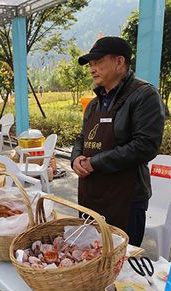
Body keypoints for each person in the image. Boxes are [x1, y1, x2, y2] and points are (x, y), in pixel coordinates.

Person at [71, 36, 165, 247]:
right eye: (91, 65)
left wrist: (94, 163)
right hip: (92, 194)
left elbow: (145, 146)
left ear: (119, 62)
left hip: (126, 198)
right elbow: (82, 137)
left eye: (98, 62)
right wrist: (75, 158)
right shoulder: (95, 104)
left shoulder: (144, 95)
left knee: (121, 261)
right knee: (90, 254)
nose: (92, 69)